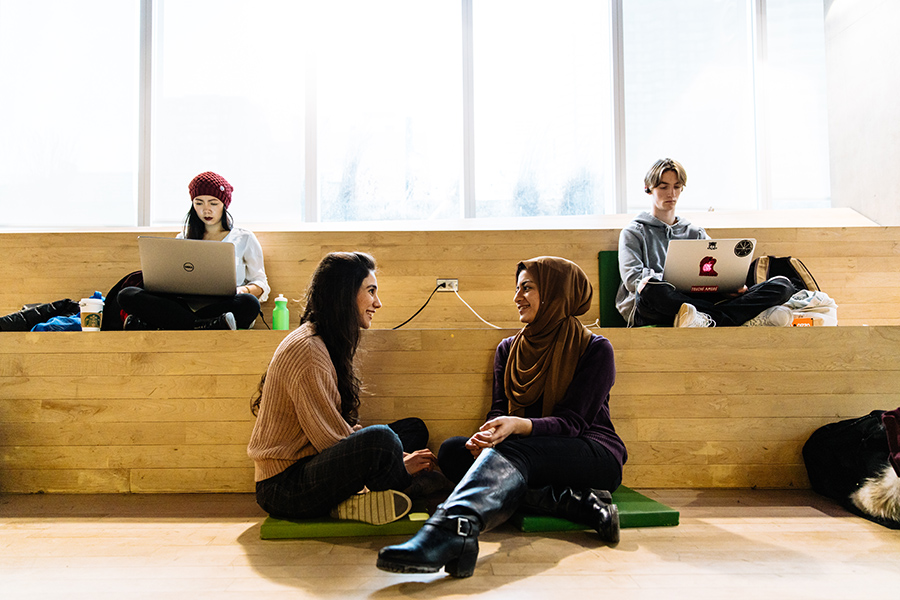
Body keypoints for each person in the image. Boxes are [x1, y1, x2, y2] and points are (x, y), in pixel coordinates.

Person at [377, 256, 625, 578]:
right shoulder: (508, 349)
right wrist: (486, 438)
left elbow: (572, 423)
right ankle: (573, 501)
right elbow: (497, 412)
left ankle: (453, 529)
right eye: (517, 288)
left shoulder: (595, 349)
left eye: (528, 288)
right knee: (452, 451)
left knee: (512, 453)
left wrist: (516, 427)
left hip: (591, 452)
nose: (517, 297)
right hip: (525, 454)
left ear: (556, 293)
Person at [247, 251, 437, 525]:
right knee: (383, 440)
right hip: (285, 488)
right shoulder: (308, 350)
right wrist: (400, 463)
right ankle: (388, 487)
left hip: (309, 465)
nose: (378, 303)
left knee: (412, 429)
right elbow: (330, 441)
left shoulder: (323, 340)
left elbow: (336, 431)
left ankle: (365, 495)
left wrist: (395, 452)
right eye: (371, 291)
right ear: (345, 294)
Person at [616, 158, 794, 327]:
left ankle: (706, 318)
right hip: (658, 305)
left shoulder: (695, 233)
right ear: (648, 188)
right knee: (649, 288)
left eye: (677, 187)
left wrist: (726, 286)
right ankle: (734, 317)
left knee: (782, 285)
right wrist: (675, 282)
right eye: (663, 187)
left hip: (699, 299)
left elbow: (717, 272)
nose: (671, 194)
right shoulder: (633, 232)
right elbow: (633, 280)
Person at [118, 171, 269, 330]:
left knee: (249, 303)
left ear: (224, 205)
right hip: (183, 306)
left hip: (223, 306)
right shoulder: (183, 238)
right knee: (127, 295)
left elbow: (261, 284)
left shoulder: (243, 237)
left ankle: (180, 324)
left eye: (213, 203)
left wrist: (242, 290)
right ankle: (205, 325)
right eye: (199, 203)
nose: (206, 210)